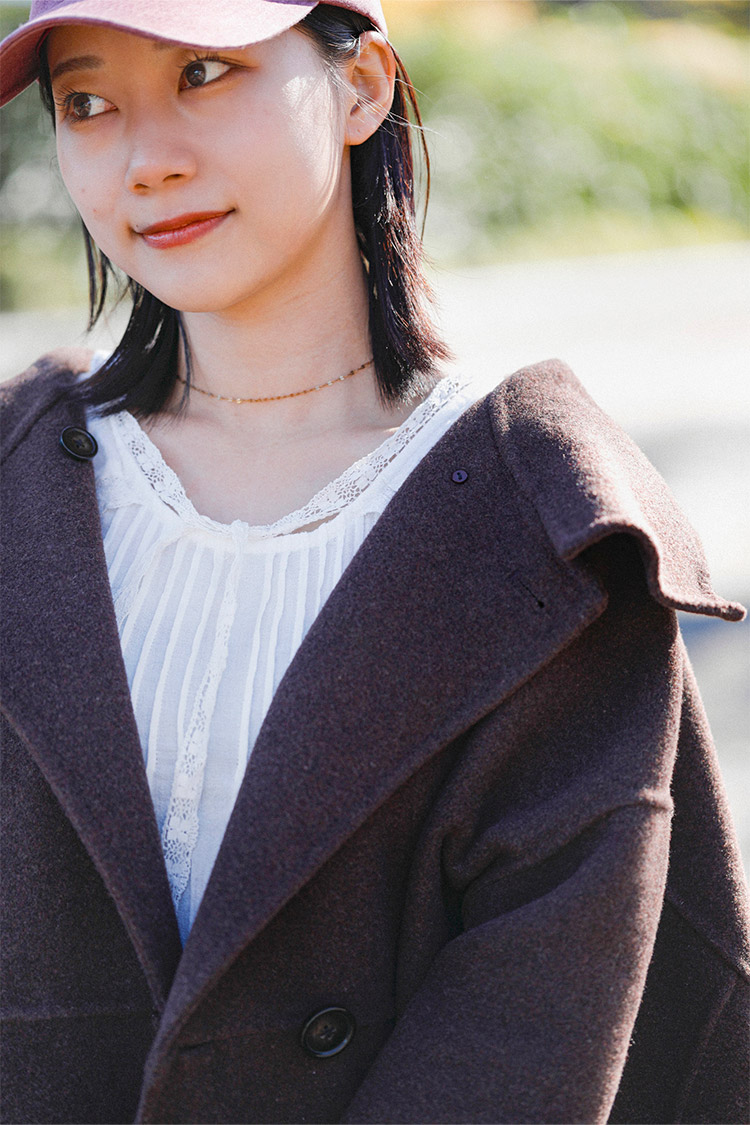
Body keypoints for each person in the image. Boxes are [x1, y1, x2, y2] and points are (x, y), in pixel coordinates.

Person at [0, 2, 748, 1123]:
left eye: (204, 73)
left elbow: (533, 1035)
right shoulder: (23, 480)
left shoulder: (545, 533)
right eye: (87, 102)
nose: (146, 160)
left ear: (362, 88)